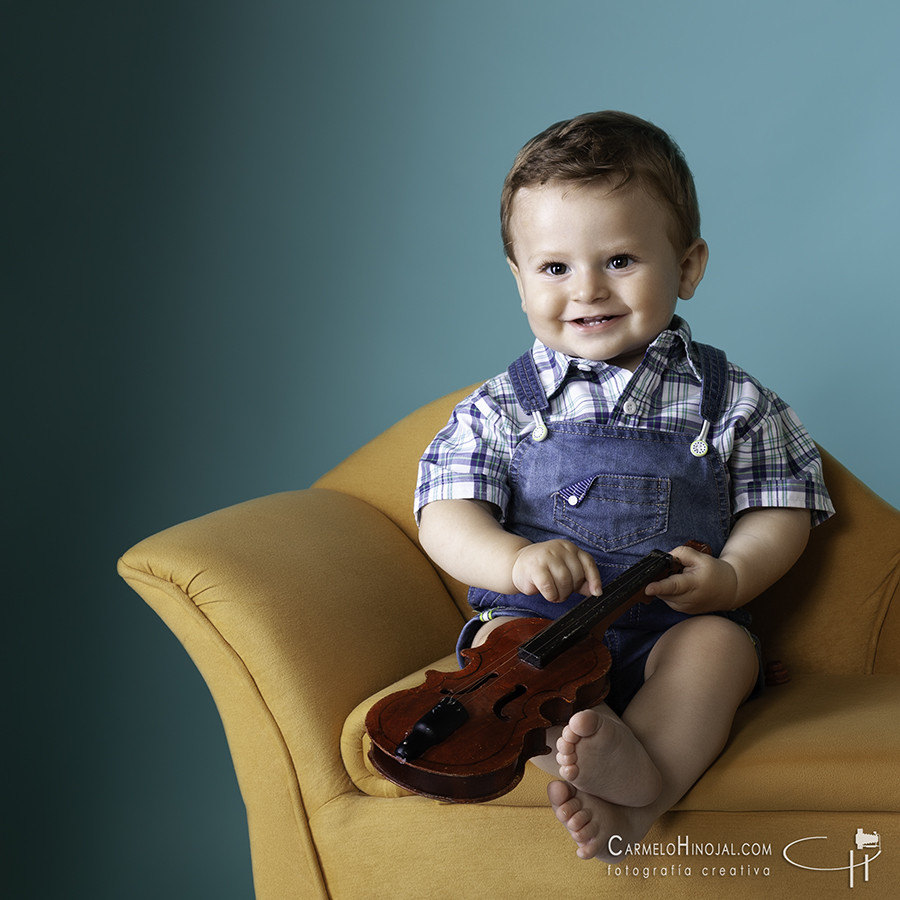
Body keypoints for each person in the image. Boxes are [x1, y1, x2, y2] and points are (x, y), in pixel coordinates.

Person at [413, 111, 834, 862]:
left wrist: (733, 577)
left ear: (689, 265)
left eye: (619, 261)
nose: (587, 290)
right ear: (518, 278)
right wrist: (510, 559)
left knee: (721, 652)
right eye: (554, 268)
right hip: (538, 635)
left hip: (671, 628)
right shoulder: (500, 405)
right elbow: (444, 511)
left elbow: (783, 509)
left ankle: (648, 784)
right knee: (501, 662)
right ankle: (600, 760)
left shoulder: (732, 399)